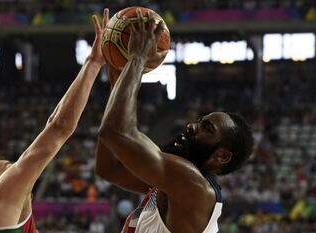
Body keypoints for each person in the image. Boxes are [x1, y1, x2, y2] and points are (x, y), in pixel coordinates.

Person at [96, 9, 254, 233]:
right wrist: (116, 84)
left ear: (222, 155)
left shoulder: (194, 185)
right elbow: (108, 168)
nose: (191, 126)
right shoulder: (170, 181)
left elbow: (115, 132)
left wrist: (138, 58)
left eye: (207, 128)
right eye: (199, 121)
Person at [0, 9, 110, 233]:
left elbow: (54, 123)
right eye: (11, 167)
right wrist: (92, 64)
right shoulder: (3, 195)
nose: (20, 168)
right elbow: (59, 128)